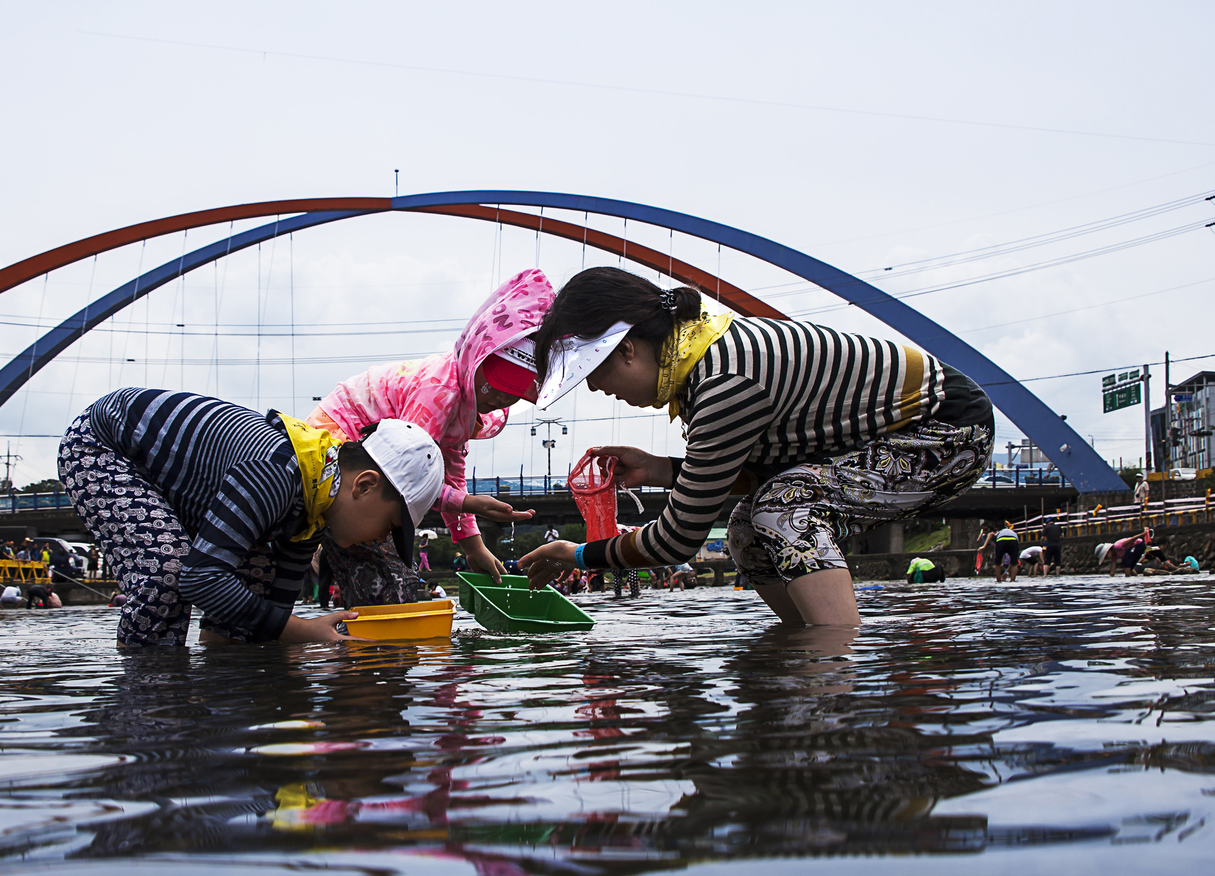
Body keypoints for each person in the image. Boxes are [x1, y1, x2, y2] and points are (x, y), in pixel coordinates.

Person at [519, 267, 993, 629]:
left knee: (782, 508)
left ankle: (834, 659)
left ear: (626, 349)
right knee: (746, 528)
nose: (595, 388)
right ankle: (801, 643)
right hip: (889, 440)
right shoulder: (701, 359)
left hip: (948, 432)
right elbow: (762, 471)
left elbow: (677, 539)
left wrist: (579, 555)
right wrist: (662, 470)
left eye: (593, 372)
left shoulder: (724, 381)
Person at [57, 387, 446, 647]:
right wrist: (302, 632)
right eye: (389, 526)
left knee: (259, 577)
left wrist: (292, 645)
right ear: (364, 485)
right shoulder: (277, 472)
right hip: (103, 445)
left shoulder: (314, 510)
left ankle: (227, 682)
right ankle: (147, 695)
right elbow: (199, 577)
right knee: (168, 574)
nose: (378, 540)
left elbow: (278, 605)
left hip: (179, 487)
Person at [304, 270, 550, 604]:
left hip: (372, 464)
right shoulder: (438, 391)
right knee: (388, 577)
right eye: (494, 384)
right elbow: (406, 477)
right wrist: (469, 503)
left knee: (386, 572)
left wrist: (474, 546)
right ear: (475, 358)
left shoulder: (465, 405)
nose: (499, 397)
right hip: (339, 444)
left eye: (513, 392)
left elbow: (449, 474)